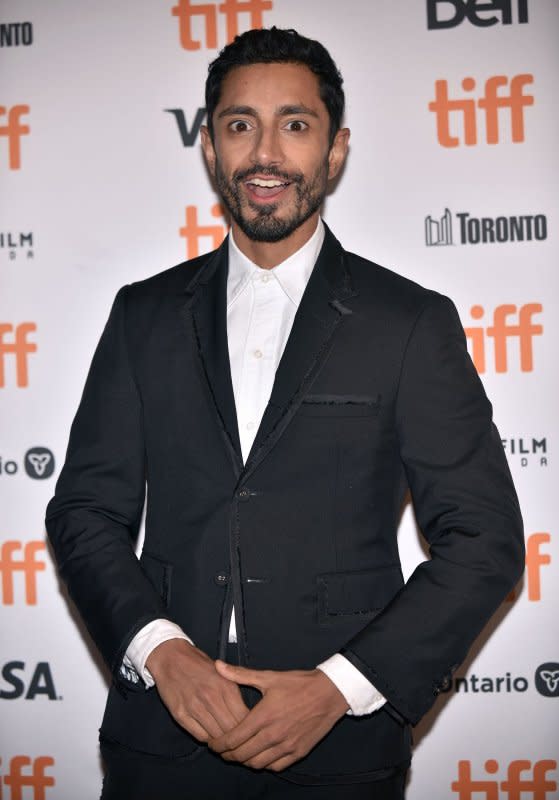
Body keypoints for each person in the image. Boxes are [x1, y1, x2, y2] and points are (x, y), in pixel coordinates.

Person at [46, 26, 524, 800]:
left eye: (294, 125)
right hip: (160, 748)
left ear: (334, 150)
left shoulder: (407, 323)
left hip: (338, 754)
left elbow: (485, 540)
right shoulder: (143, 315)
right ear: (210, 148)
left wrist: (339, 687)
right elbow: (85, 512)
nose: (265, 153)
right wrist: (162, 652)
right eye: (240, 124)